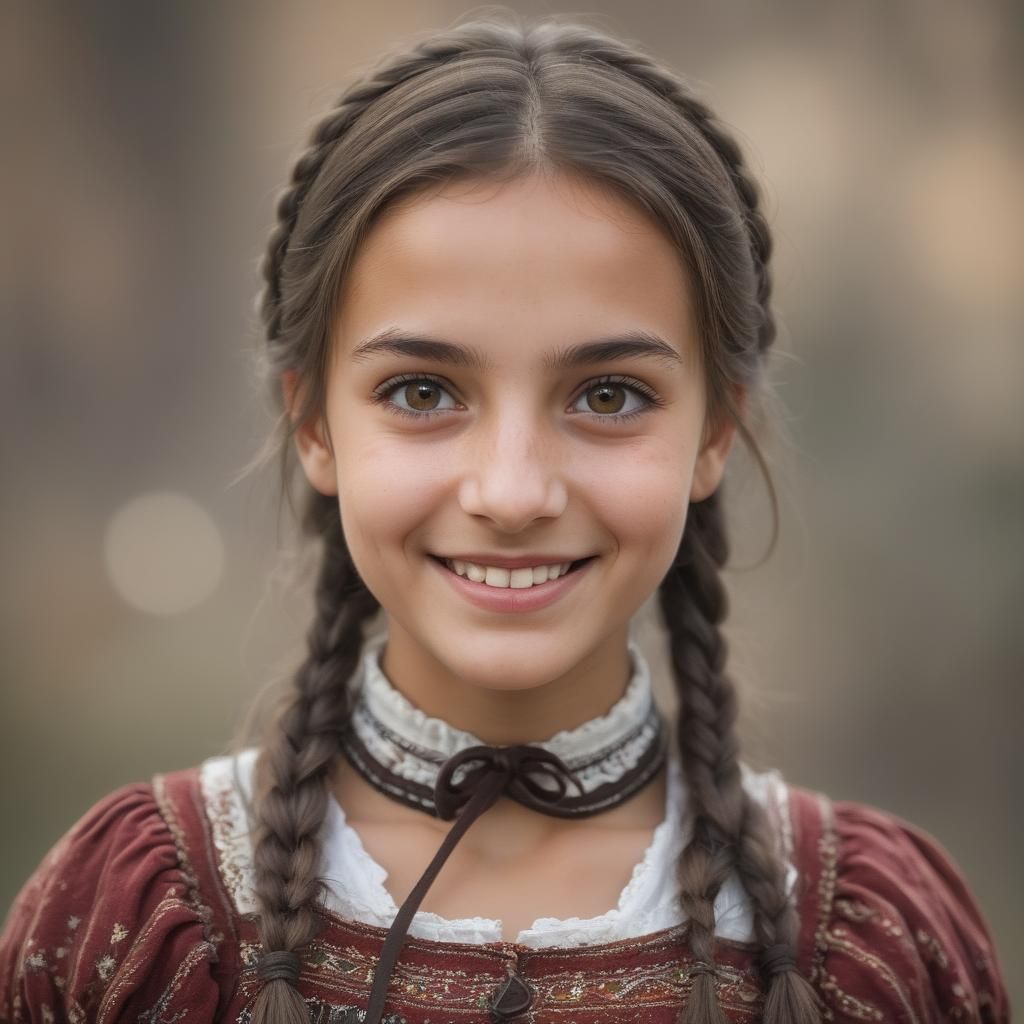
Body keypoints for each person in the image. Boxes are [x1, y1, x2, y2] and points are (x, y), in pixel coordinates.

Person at [0, 13, 1009, 1024]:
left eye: (607, 395)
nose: (514, 490)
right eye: (424, 392)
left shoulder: (863, 943)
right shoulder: (143, 923)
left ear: (714, 432)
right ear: (313, 423)